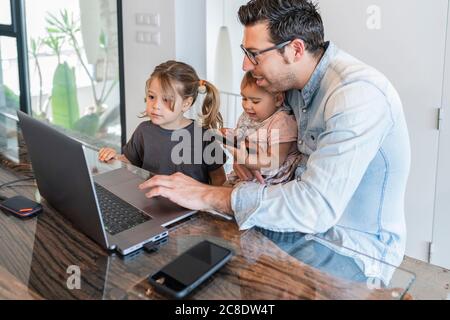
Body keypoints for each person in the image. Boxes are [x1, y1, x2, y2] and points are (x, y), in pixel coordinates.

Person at [139, 0, 411, 285]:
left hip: (351, 249)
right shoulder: (289, 86)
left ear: (295, 49)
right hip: (293, 232)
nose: (246, 64)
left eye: (254, 54)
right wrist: (249, 156)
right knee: (179, 262)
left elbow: (313, 207)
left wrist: (207, 194)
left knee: (219, 282)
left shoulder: (357, 96)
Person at [99, 60, 227, 186]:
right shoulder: (143, 131)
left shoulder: (204, 137)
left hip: (191, 207)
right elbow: (127, 163)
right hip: (148, 204)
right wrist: (114, 157)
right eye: (151, 97)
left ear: (186, 103)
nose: (155, 106)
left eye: (166, 99)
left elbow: (219, 181)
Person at [224, 71, 302, 186]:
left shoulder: (282, 122)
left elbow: (275, 160)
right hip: (248, 173)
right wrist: (229, 136)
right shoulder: (248, 117)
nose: (246, 106)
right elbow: (241, 139)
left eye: (255, 101)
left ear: (278, 99)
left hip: (271, 180)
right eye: (244, 98)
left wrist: (247, 160)